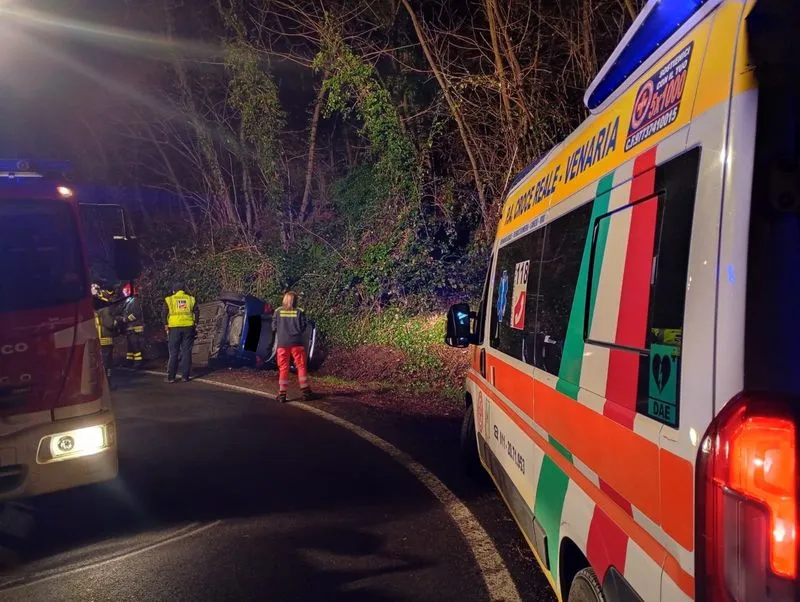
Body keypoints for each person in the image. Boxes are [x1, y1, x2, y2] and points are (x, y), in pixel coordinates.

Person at [272, 291, 313, 403]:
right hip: (297, 343)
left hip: (282, 344)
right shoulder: (300, 311)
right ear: (295, 300)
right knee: (301, 366)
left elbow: (273, 327)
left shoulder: (278, 311)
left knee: (283, 368)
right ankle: (305, 392)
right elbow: (304, 326)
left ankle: (282, 395)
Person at [163, 281, 198, 383]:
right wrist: (195, 323)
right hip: (188, 327)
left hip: (174, 328)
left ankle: (171, 377)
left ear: (174, 291)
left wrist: (165, 324)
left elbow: (164, 313)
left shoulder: (170, 299)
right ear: (184, 290)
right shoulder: (190, 299)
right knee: (186, 352)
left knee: (174, 352)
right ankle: (185, 377)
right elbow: (196, 311)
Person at [92, 282, 123, 390]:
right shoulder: (105, 309)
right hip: (105, 339)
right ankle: (107, 385)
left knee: (98, 363)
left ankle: (99, 384)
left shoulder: (94, 309)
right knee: (107, 363)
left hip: (96, 339)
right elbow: (110, 323)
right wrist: (118, 321)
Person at [121, 282, 145, 369]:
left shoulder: (135, 301)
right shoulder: (129, 301)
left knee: (136, 347)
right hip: (131, 328)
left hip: (136, 328)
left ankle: (138, 363)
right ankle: (129, 362)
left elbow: (136, 313)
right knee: (130, 347)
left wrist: (126, 319)